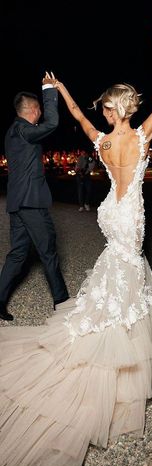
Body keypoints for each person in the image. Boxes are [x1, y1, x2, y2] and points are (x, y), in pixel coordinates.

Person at [0, 15, 152, 466]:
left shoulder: (101, 142)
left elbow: (77, 115)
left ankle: (111, 316)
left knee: (119, 267)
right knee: (128, 264)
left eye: (107, 109)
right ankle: (117, 335)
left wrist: (58, 90)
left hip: (109, 214)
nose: (104, 115)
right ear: (129, 110)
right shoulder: (140, 136)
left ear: (113, 110)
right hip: (129, 214)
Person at [0, 75, 69, 321]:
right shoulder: (23, 129)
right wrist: (49, 90)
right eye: (39, 108)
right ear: (34, 110)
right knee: (48, 251)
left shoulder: (12, 131)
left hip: (18, 202)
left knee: (18, 254)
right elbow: (52, 124)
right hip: (30, 203)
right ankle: (62, 303)